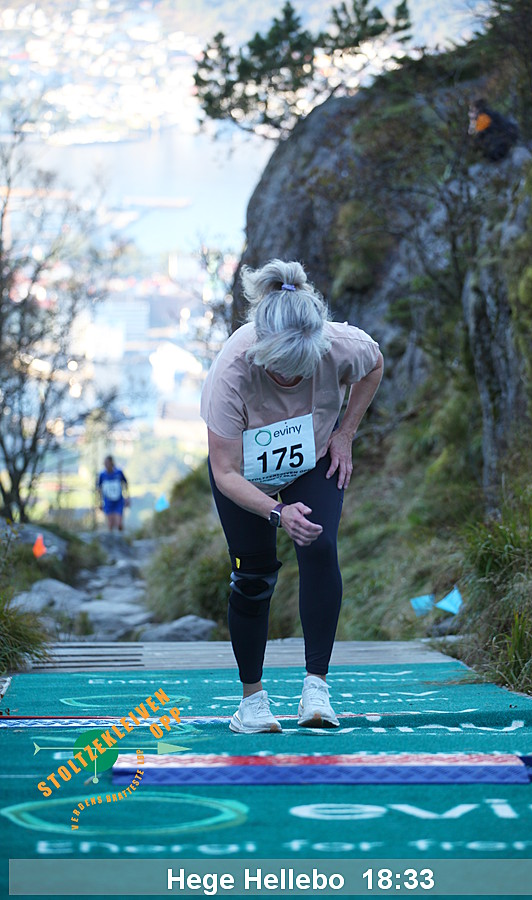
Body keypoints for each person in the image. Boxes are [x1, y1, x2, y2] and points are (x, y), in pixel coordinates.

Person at [200, 258, 384, 733]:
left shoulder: (339, 344)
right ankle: (252, 701)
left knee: (320, 545)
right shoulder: (231, 371)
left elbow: (374, 365)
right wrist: (277, 512)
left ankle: (316, 688)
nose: (292, 383)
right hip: (247, 474)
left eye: (303, 373)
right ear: (262, 353)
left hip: (312, 456)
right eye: (283, 373)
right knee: (254, 575)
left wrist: (345, 433)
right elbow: (224, 471)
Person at [468, 98, 519, 162]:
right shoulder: (491, 114)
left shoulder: (483, 118)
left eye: (472, 110)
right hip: (508, 140)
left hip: (501, 146)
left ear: (477, 109)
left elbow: (478, 137)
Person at [97, 455, 130, 532]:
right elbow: (99, 489)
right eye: (105, 463)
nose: (106, 465)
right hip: (108, 501)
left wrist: (127, 497)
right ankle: (111, 537)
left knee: (119, 524)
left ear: (112, 463)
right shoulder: (102, 475)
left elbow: (125, 484)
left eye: (108, 463)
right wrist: (99, 502)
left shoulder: (119, 473)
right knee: (110, 524)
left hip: (118, 501)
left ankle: (121, 535)